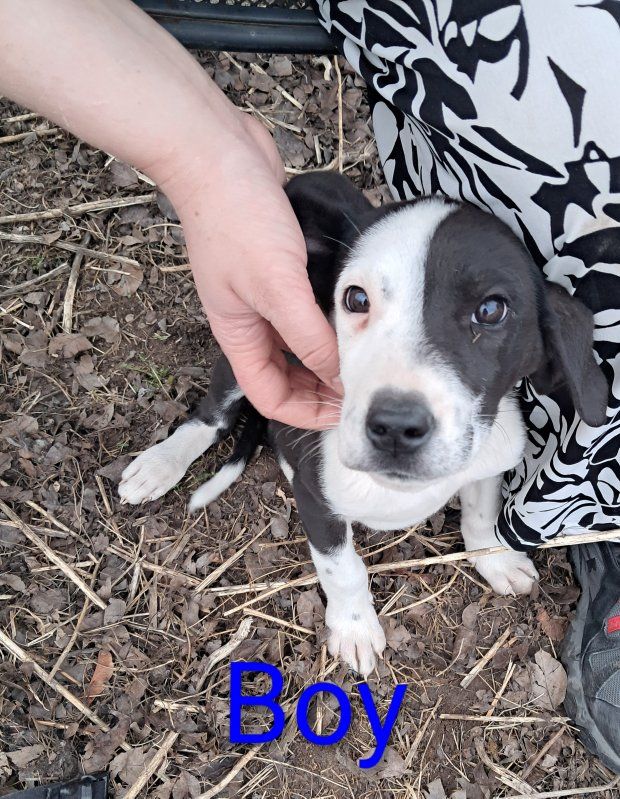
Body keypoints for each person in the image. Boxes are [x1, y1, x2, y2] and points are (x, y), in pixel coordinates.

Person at [1, 0, 619, 772]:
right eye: (360, 300)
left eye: (488, 312)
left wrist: (482, 538)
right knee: (241, 395)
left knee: (480, 466)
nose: (400, 403)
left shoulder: (496, 434)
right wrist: (348, 605)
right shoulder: (336, 438)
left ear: (544, 341)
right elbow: (322, 507)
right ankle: (198, 431)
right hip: (322, 452)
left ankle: (482, 533)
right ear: (326, 292)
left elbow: (488, 460)